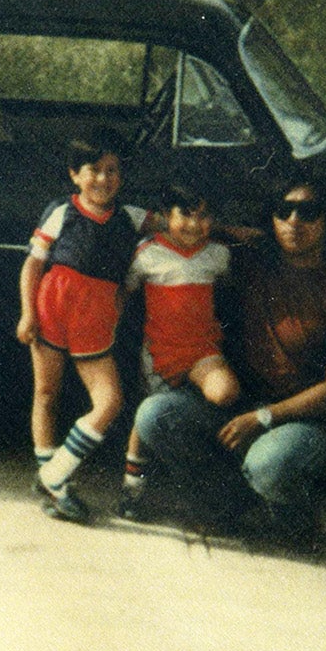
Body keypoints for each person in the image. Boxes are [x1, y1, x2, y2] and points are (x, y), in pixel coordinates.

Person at [131, 176, 326, 542]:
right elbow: (195, 229)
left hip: (306, 422)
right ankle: (225, 503)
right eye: (284, 210)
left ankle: (296, 521)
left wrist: (264, 417)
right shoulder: (253, 263)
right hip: (242, 404)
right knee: (155, 415)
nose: (294, 221)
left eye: (308, 212)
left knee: (268, 465)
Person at [16, 129, 150, 522]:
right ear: (76, 175)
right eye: (94, 170)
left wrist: (231, 233)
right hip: (52, 307)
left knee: (109, 401)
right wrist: (28, 313)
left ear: (121, 178)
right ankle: (58, 489)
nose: (104, 179)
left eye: (112, 171)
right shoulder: (63, 211)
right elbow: (33, 264)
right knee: (46, 394)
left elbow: (180, 225)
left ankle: (52, 473)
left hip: (96, 317)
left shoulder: (131, 217)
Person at [118, 181, 243, 518]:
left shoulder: (218, 254)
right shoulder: (148, 252)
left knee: (225, 392)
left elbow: (228, 289)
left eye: (203, 216)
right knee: (146, 418)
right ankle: (133, 489)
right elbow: (123, 292)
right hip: (160, 350)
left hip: (203, 349)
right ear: (164, 216)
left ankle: (213, 470)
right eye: (185, 215)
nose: (194, 225)